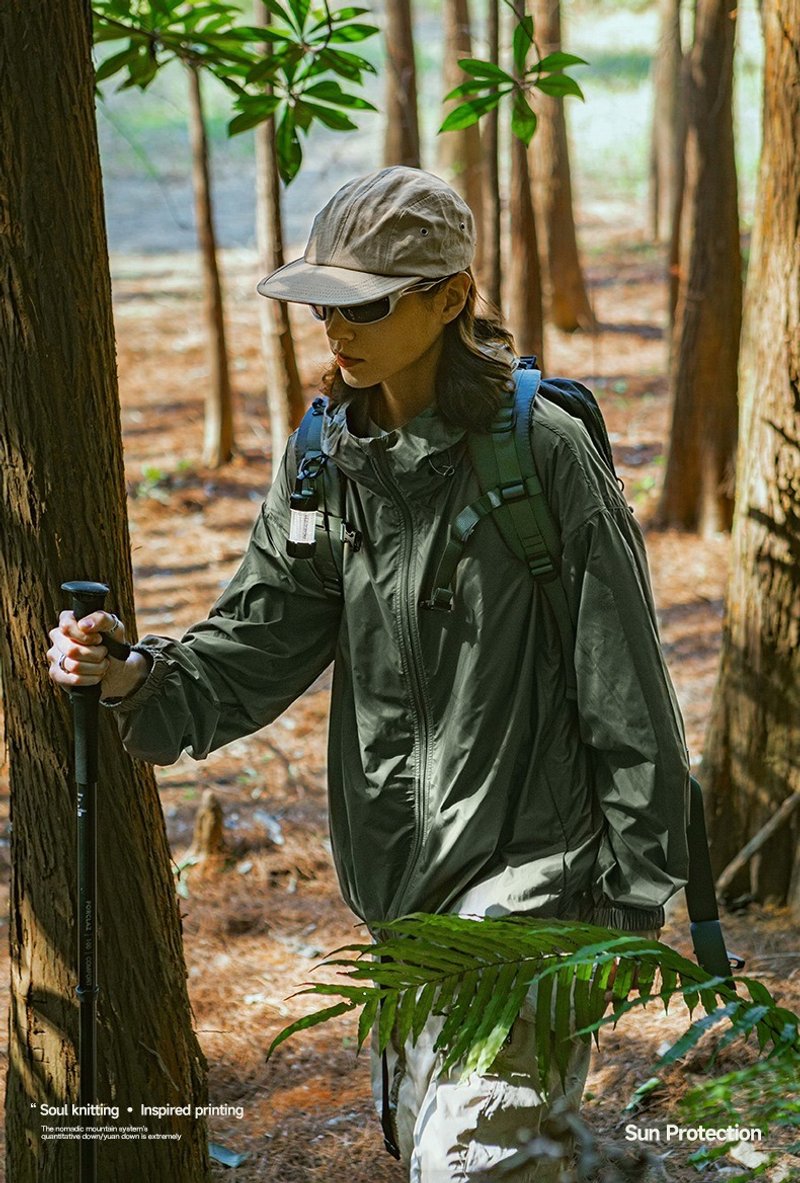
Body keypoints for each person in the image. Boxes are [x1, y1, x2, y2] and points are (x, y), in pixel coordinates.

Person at [47, 166, 689, 1181]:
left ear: (449, 298)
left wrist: (626, 910)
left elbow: (626, 689)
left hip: (536, 893)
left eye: (367, 303)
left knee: (476, 1163)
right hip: (399, 895)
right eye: (321, 301)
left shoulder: (542, 453)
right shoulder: (327, 457)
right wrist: (132, 674)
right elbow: (259, 640)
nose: (335, 328)